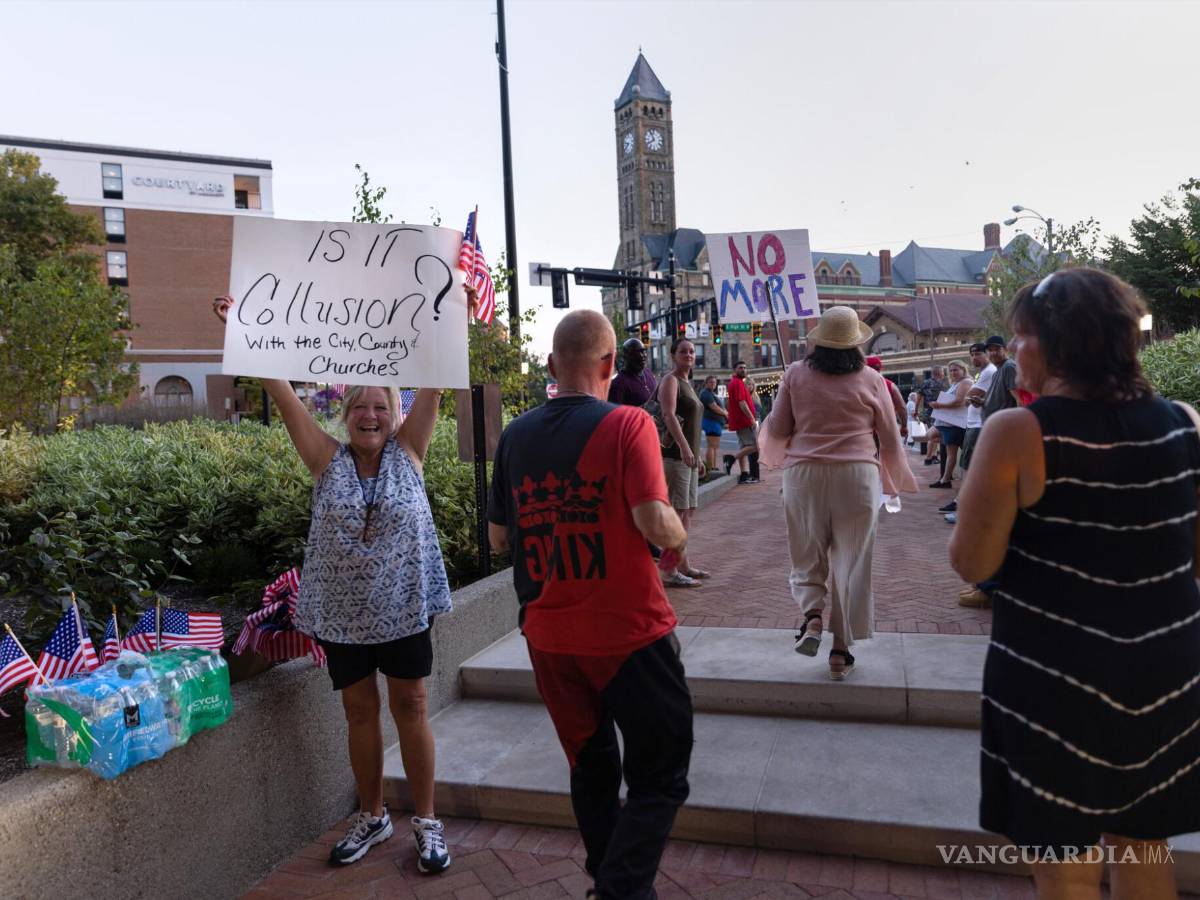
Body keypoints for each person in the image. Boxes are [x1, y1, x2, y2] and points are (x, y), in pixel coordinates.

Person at [950, 268, 1200, 899]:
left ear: (1057, 344)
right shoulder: (1185, 424)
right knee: (1147, 852)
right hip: (1166, 676)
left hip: (1053, 678)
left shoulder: (1019, 432)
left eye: (1020, 337)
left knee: (1066, 870)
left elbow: (973, 562)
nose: (1012, 352)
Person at [212, 293, 467, 874]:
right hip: (344, 619)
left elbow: (435, 379)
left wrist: (453, 314)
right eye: (360, 406)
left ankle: (426, 822)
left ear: (394, 413)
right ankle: (373, 816)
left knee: (412, 704)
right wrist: (246, 328)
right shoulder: (325, 458)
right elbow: (281, 392)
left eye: (381, 405)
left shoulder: (411, 451)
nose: (370, 414)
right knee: (358, 712)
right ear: (345, 413)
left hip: (404, 611)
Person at [487, 310, 693, 900]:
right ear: (609, 364)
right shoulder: (629, 424)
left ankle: (612, 881)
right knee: (662, 770)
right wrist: (679, 535)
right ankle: (620, 891)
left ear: (552, 366)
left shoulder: (516, 436)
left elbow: (501, 539)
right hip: (627, 631)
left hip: (550, 638)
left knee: (592, 766)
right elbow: (655, 521)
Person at [760, 306, 918, 680]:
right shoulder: (872, 379)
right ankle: (840, 651)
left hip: (804, 475)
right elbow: (890, 435)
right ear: (856, 343)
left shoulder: (796, 374)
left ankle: (812, 618)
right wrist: (895, 479)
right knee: (852, 562)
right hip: (857, 476)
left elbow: (780, 426)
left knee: (806, 552)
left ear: (818, 341)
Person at [957, 335, 1019, 608]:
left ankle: (988, 586)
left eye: (996, 349)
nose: (993, 354)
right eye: (989, 350)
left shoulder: (1009, 368)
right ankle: (985, 583)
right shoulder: (998, 371)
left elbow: (1020, 401)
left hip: (1005, 443)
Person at [658, 338, 708, 587]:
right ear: (673, 355)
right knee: (677, 515)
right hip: (675, 457)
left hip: (687, 458)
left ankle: (683, 565)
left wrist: (696, 455)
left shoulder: (688, 383)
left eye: (691, 351)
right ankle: (668, 572)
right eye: (683, 351)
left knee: (687, 512)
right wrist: (685, 448)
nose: (688, 354)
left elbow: (690, 424)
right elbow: (668, 414)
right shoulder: (671, 380)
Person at [942, 343, 994, 520]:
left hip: (978, 424)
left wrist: (967, 398)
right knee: (969, 465)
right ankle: (962, 503)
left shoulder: (988, 372)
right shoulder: (983, 373)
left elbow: (967, 397)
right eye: (971, 354)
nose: (974, 358)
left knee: (967, 466)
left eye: (978, 354)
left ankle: (963, 506)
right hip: (973, 423)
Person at [927, 360, 973, 489]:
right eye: (951, 370)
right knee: (930, 435)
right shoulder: (956, 383)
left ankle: (945, 480)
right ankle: (945, 479)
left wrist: (939, 405)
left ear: (963, 369)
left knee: (951, 453)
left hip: (954, 422)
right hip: (946, 421)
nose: (953, 372)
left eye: (956, 369)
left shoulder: (966, 382)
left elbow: (959, 402)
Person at [723, 361, 760, 484]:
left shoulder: (735, 382)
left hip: (740, 420)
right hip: (744, 421)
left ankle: (744, 474)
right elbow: (742, 403)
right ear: (735, 370)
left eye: (745, 368)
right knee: (754, 446)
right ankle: (731, 458)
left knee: (744, 447)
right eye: (740, 368)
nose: (743, 370)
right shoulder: (737, 383)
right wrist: (751, 419)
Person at [865, 355, 908, 440]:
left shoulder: (858, 386)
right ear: (880, 368)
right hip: (887, 427)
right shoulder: (890, 385)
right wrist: (904, 425)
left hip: (864, 430)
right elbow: (902, 407)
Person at [607, 337, 656, 406]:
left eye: (644, 351)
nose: (643, 355)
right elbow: (615, 414)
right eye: (638, 352)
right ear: (626, 356)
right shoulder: (618, 383)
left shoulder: (648, 372)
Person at [917, 365, 947, 460]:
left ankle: (933, 455)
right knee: (934, 435)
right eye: (943, 372)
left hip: (928, 412)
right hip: (939, 412)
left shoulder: (925, 383)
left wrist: (916, 410)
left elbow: (919, 397)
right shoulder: (942, 384)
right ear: (939, 373)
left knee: (932, 434)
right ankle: (929, 457)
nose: (943, 374)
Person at [698, 374, 727, 472]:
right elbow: (713, 406)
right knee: (711, 445)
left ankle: (713, 467)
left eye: (714, 382)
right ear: (706, 383)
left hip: (715, 423)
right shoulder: (706, 393)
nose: (713, 384)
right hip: (711, 422)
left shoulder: (712, 393)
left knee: (715, 446)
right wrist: (726, 414)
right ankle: (710, 468)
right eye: (711, 382)